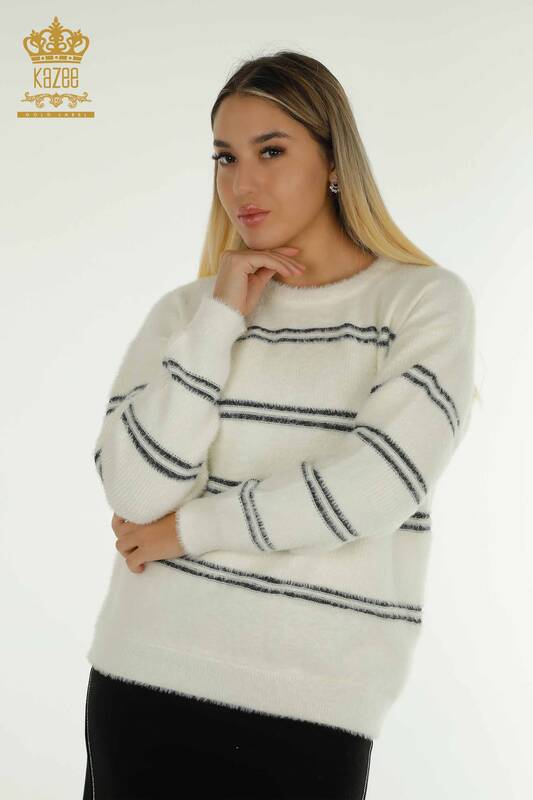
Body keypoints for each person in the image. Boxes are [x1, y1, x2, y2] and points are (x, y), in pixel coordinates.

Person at [83, 50, 477, 799]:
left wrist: (188, 532)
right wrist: (220, 319)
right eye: (225, 157)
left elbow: (373, 489)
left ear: (332, 161)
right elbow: (134, 492)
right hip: (144, 677)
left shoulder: (421, 303)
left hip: (312, 703)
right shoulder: (187, 312)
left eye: (271, 151)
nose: (242, 184)